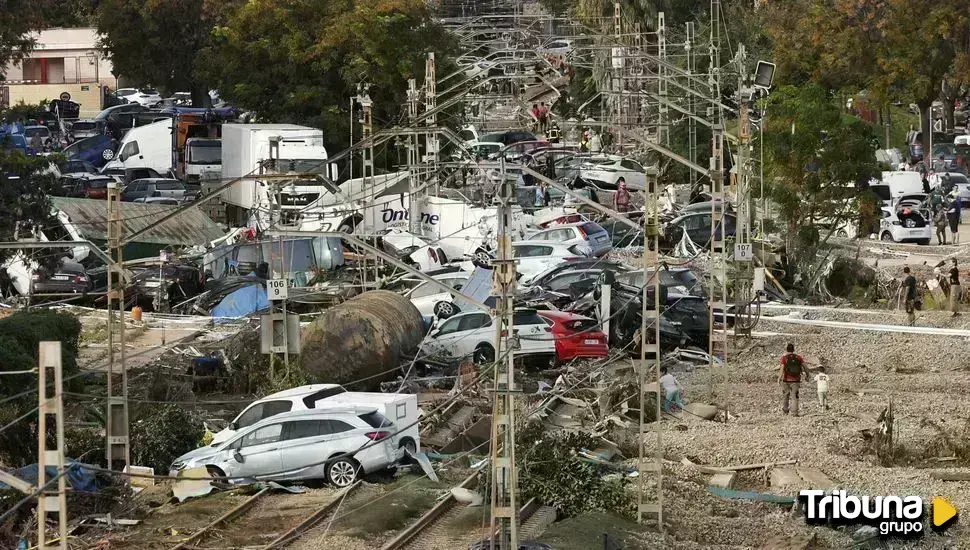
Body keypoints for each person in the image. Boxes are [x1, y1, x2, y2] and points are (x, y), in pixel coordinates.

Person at [779, 343, 806, 416]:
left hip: (786, 380)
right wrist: (808, 374)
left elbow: (781, 369)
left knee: (786, 395)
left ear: (787, 349)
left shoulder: (784, 358)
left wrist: (779, 378)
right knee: (794, 396)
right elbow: (805, 367)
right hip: (796, 380)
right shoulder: (798, 357)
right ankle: (795, 413)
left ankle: (785, 411)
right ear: (793, 349)